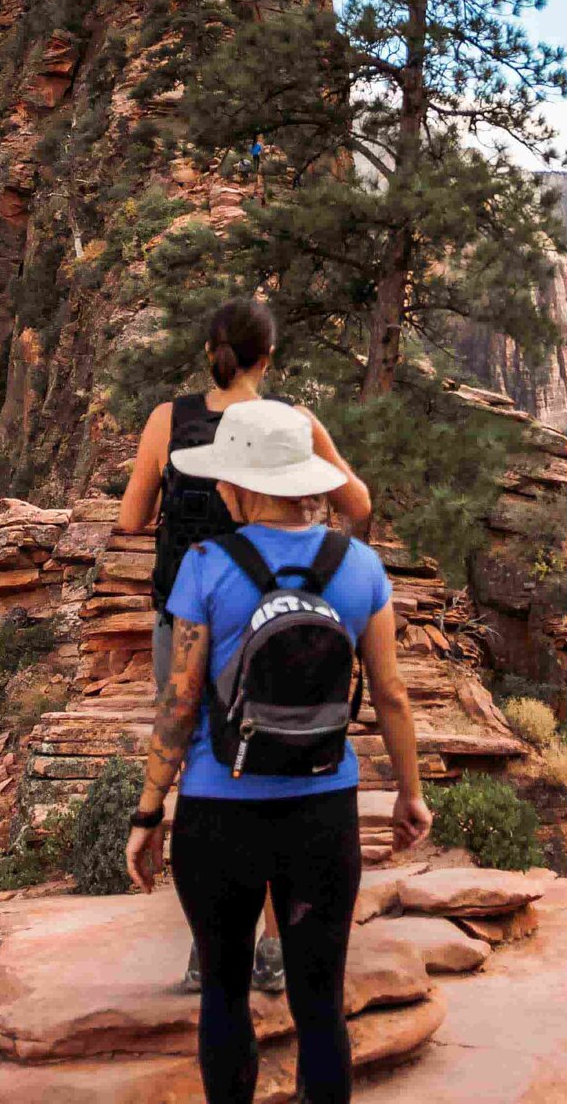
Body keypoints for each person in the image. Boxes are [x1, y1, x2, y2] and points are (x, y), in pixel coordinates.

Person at [125, 399, 432, 1104]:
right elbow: (390, 692)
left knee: (226, 996)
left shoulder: (203, 565)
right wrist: (410, 794)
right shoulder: (358, 565)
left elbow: (177, 707)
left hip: (217, 813)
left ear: (240, 485)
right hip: (324, 812)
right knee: (320, 1002)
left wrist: (148, 813)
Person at [117, 297, 369, 991]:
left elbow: (132, 517)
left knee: (202, 764)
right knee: (276, 761)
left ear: (210, 352)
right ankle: (273, 944)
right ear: (269, 358)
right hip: (280, 615)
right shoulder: (294, 424)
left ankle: (211, 944)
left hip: (188, 614)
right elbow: (360, 506)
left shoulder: (169, 419)